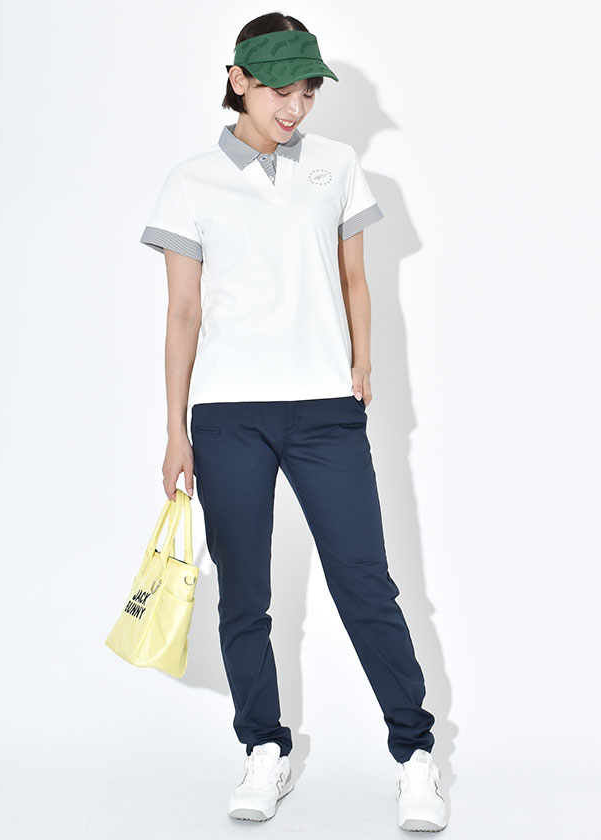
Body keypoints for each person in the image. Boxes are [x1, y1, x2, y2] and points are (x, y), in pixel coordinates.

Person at [139, 12, 448, 833]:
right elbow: (182, 312)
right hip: (227, 417)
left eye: (308, 91)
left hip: (324, 410)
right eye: (281, 89)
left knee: (365, 584)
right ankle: (263, 748)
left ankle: (415, 755)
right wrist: (175, 429)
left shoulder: (336, 166)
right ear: (238, 80)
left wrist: (362, 363)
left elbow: (356, 278)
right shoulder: (190, 180)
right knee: (244, 592)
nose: (296, 107)